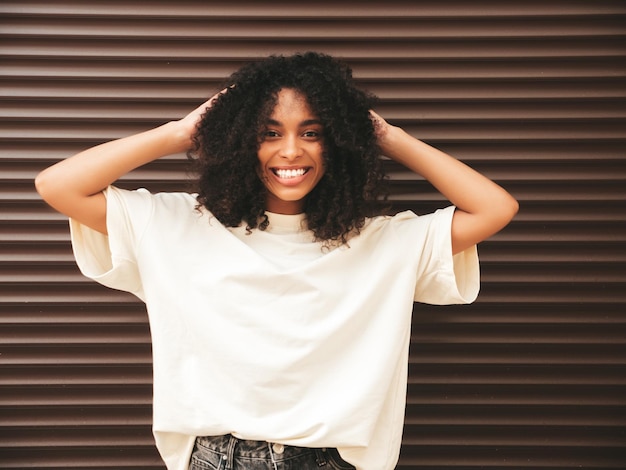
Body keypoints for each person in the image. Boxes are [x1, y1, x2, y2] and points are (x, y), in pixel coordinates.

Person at [35, 52, 518, 470]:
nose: (291, 150)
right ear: (240, 140)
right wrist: (180, 132)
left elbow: (496, 208)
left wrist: (386, 136)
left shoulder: (384, 242)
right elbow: (57, 185)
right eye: (269, 133)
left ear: (339, 144)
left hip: (332, 459)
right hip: (215, 457)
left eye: (313, 132)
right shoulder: (173, 224)